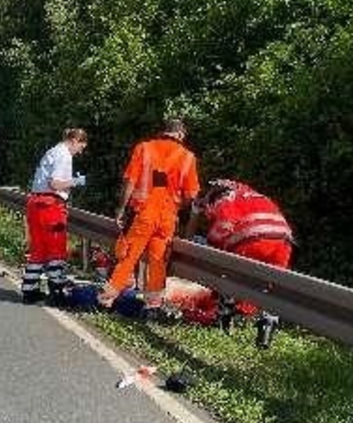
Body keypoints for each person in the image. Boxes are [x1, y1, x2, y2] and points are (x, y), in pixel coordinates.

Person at [98, 118, 200, 316]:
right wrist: (176, 205)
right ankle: (152, 307)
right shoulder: (188, 157)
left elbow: (130, 182)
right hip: (168, 217)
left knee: (129, 257)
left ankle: (106, 299)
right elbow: (191, 196)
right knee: (158, 261)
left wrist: (121, 209)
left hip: (143, 214)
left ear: (163, 131)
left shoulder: (144, 148)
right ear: (180, 135)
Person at [186, 178, 294, 348]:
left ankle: (224, 320)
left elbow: (224, 228)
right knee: (272, 288)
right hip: (283, 240)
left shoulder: (224, 199)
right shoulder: (257, 196)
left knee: (227, 273)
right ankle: (267, 325)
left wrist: (212, 241)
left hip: (253, 239)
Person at [22, 128, 89, 304]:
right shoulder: (64, 155)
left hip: (36, 203)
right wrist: (76, 181)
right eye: (81, 147)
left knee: (38, 249)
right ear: (74, 140)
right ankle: (57, 292)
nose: (80, 151)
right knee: (56, 249)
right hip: (50, 206)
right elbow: (55, 183)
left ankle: (29, 291)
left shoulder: (52, 151)